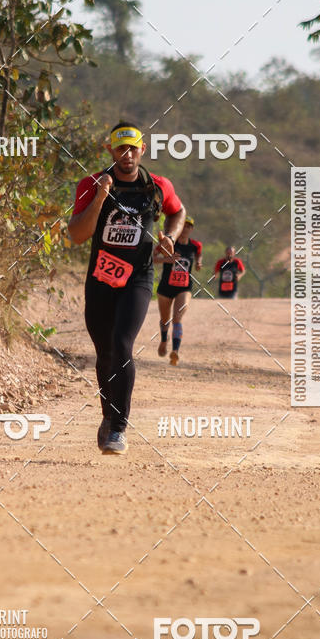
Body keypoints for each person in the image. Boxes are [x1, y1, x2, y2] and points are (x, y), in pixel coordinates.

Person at [68, 122, 186, 455]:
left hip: (138, 278)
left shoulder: (157, 186)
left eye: (133, 148)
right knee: (104, 352)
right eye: (121, 149)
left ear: (142, 150)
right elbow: (77, 234)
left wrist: (170, 238)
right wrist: (101, 196)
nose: (128, 155)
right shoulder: (91, 184)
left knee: (122, 344)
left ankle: (119, 428)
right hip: (101, 278)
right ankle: (109, 418)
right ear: (111, 151)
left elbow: (179, 212)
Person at [154, 216, 202, 366]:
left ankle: (175, 351)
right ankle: (163, 340)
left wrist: (199, 263)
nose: (186, 229)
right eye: (184, 226)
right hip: (166, 287)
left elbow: (199, 255)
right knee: (165, 320)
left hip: (184, 287)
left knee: (177, 318)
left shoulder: (195, 246)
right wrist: (165, 260)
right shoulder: (169, 243)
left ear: (191, 229)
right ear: (179, 227)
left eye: (189, 227)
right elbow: (152, 258)